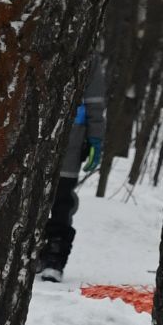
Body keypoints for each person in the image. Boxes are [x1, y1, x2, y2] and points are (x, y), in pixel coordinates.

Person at [36, 53, 108, 282]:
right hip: (35, 134)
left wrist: (95, 138)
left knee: (61, 201)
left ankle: (54, 258)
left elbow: (95, 103)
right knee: (32, 197)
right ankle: (32, 250)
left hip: (71, 140)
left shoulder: (89, 56)